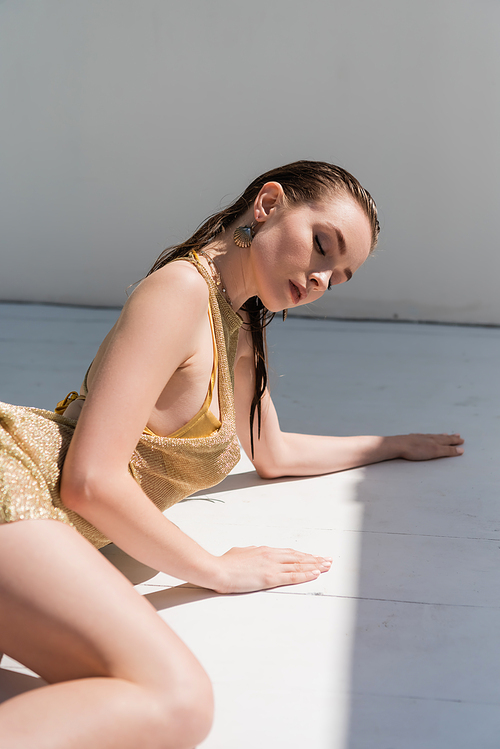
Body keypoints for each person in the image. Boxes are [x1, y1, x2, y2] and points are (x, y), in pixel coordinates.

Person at [0, 161, 464, 748]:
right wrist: (214, 569)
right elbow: (90, 480)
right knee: (175, 700)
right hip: (15, 481)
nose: (321, 278)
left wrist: (392, 445)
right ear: (268, 204)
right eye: (323, 245)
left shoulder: (239, 323)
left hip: (44, 523)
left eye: (338, 277)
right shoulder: (180, 289)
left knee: (122, 704)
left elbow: (274, 451)